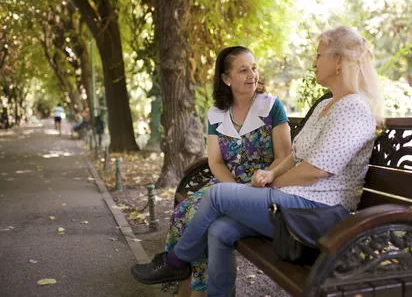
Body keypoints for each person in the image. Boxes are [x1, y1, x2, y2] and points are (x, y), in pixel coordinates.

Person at [131, 26, 385, 296]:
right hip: (295, 204)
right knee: (219, 230)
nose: (314, 62)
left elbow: (316, 171)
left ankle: (175, 262)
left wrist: (272, 181)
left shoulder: (354, 107)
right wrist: (270, 174)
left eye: (319, 55)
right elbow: (295, 156)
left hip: (320, 212)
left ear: (337, 61)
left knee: (217, 195)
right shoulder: (326, 105)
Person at [132, 46, 292, 296]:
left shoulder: (271, 107)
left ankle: (180, 272)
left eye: (254, 68)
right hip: (226, 186)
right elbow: (215, 162)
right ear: (226, 79)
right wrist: (234, 189)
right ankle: (190, 288)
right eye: (243, 70)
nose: (252, 75)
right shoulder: (216, 114)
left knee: (200, 216)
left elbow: (285, 156)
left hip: (264, 188)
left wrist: (254, 185)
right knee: (183, 212)